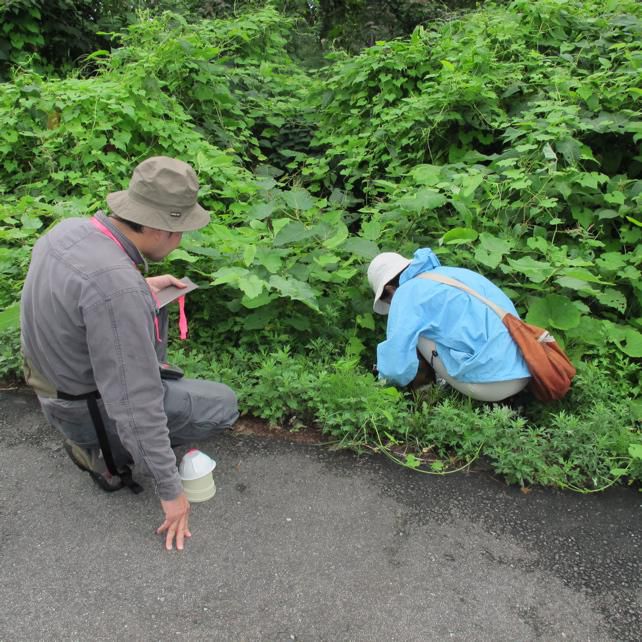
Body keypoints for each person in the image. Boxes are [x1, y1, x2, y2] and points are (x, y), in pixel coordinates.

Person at [20, 156, 239, 551]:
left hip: (53, 389)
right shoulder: (117, 290)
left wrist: (144, 288)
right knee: (222, 404)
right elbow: (136, 403)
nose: (180, 241)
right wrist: (171, 493)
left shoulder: (67, 232)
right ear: (157, 228)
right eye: (178, 231)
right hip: (87, 411)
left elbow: (82, 294)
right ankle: (105, 454)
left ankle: (95, 440)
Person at [367, 248, 531, 402]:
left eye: (386, 301)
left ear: (389, 290)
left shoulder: (405, 293)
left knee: (413, 335)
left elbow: (396, 367)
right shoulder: (453, 274)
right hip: (525, 370)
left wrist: (382, 385)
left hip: (490, 384)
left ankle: (426, 401)